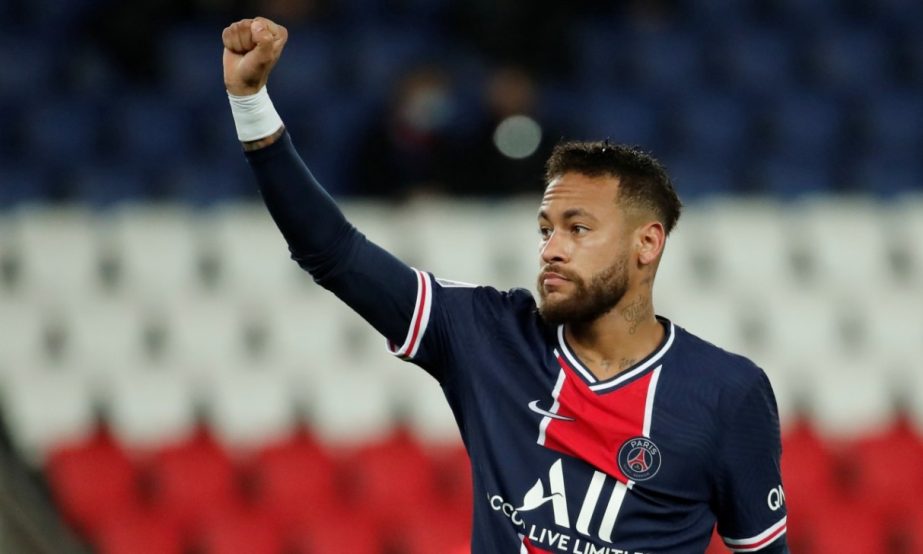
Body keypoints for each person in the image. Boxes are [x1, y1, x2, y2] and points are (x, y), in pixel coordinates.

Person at [222, 17, 789, 553]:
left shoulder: (727, 395)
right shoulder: (488, 337)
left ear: (647, 244)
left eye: (578, 229)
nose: (551, 248)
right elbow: (335, 253)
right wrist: (250, 105)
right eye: (545, 229)